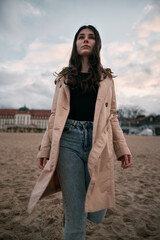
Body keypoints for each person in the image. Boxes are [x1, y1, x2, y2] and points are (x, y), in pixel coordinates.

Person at [28, 25, 132, 240]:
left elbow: (112, 116)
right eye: (81, 37)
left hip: (98, 142)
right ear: (75, 44)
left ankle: (76, 210)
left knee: (97, 211)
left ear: (97, 44)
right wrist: (44, 150)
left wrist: (122, 148)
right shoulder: (63, 79)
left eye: (91, 37)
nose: (86, 40)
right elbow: (54, 115)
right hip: (67, 143)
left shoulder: (107, 79)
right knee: (76, 215)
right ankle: (73, 216)